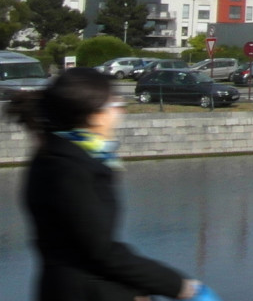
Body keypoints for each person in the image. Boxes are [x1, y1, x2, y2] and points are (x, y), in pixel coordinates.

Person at [4, 67, 204, 301]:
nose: (120, 108)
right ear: (93, 115)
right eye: (113, 102)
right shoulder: (68, 169)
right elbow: (100, 251)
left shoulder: (64, 156)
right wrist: (178, 286)